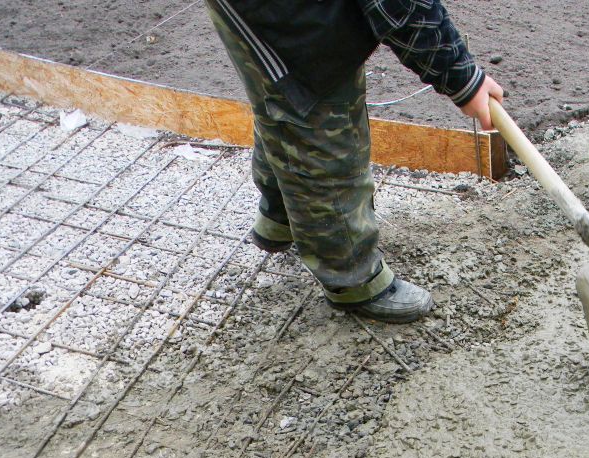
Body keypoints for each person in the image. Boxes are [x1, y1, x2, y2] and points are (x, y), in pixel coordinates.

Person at [205, 0, 504, 322]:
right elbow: (400, 6)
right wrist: (460, 77)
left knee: (289, 102)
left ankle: (281, 216)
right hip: (277, 15)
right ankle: (352, 278)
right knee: (323, 132)